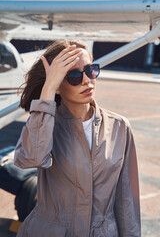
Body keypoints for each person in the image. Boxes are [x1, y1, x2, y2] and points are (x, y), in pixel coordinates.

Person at [14, 39, 141, 237]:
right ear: (57, 85)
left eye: (91, 70)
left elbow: (127, 200)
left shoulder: (120, 127)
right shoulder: (44, 124)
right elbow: (31, 158)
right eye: (73, 75)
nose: (86, 80)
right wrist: (47, 90)